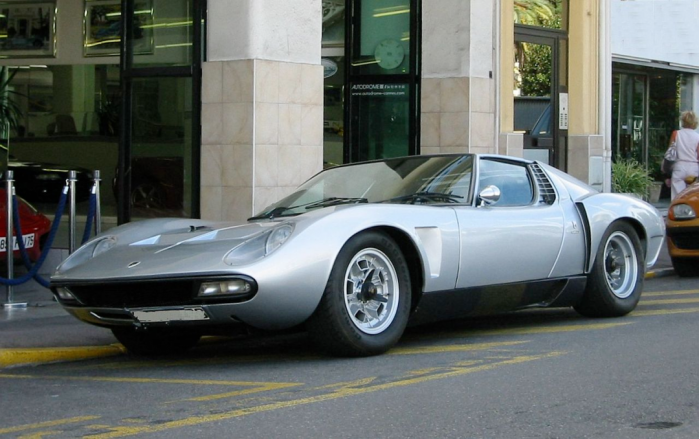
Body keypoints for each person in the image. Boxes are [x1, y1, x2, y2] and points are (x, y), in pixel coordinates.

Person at [669, 111, 699, 199]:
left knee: (677, 197)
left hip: (679, 166)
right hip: (693, 168)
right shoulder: (698, 137)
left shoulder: (676, 134)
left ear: (682, 121)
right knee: (691, 196)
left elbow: (670, 152)